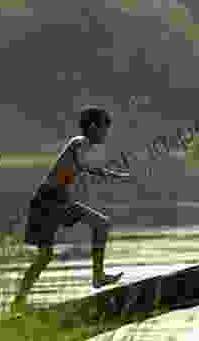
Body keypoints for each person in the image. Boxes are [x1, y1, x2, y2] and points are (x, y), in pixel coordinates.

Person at [11, 106, 129, 314]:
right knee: (100, 224)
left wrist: (107, 173)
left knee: (45, 255)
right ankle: (98, 276)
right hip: (49, 201)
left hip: (49, 201)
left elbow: (82, 165)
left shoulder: (81, 145)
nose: (105, 134)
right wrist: (104, 173)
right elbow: (83, 164)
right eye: (104, 129)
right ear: (93, 127)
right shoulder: (80, 142)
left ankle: (18, 302)